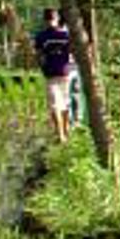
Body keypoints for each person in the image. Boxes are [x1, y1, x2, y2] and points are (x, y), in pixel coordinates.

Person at [33, 8, 76, 143]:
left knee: (64, 103)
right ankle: (60, 134)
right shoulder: (41, 36)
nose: (50, 22)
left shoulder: (66, 35)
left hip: (65, 73)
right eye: (48, 19)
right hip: (51, 74)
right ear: (45, 20)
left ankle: (65, 129)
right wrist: (43, 67)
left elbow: (72, 52)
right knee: (55, 104)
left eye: (52, 19)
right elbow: (39, 55)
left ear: (57, 19)